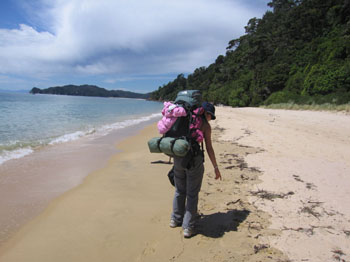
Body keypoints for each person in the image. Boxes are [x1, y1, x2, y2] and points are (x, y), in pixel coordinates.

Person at [170, 102, 222, 238]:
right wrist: (216, 167)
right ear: (207, 113)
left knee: (179, 190)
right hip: (194, 161)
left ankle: (175, 219)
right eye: (212, 116)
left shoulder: (185, 118)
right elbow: (209, 148)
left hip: (178, 158)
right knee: (192, 194)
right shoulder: (205, 125)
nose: (211, 119)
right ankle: (188, 227)